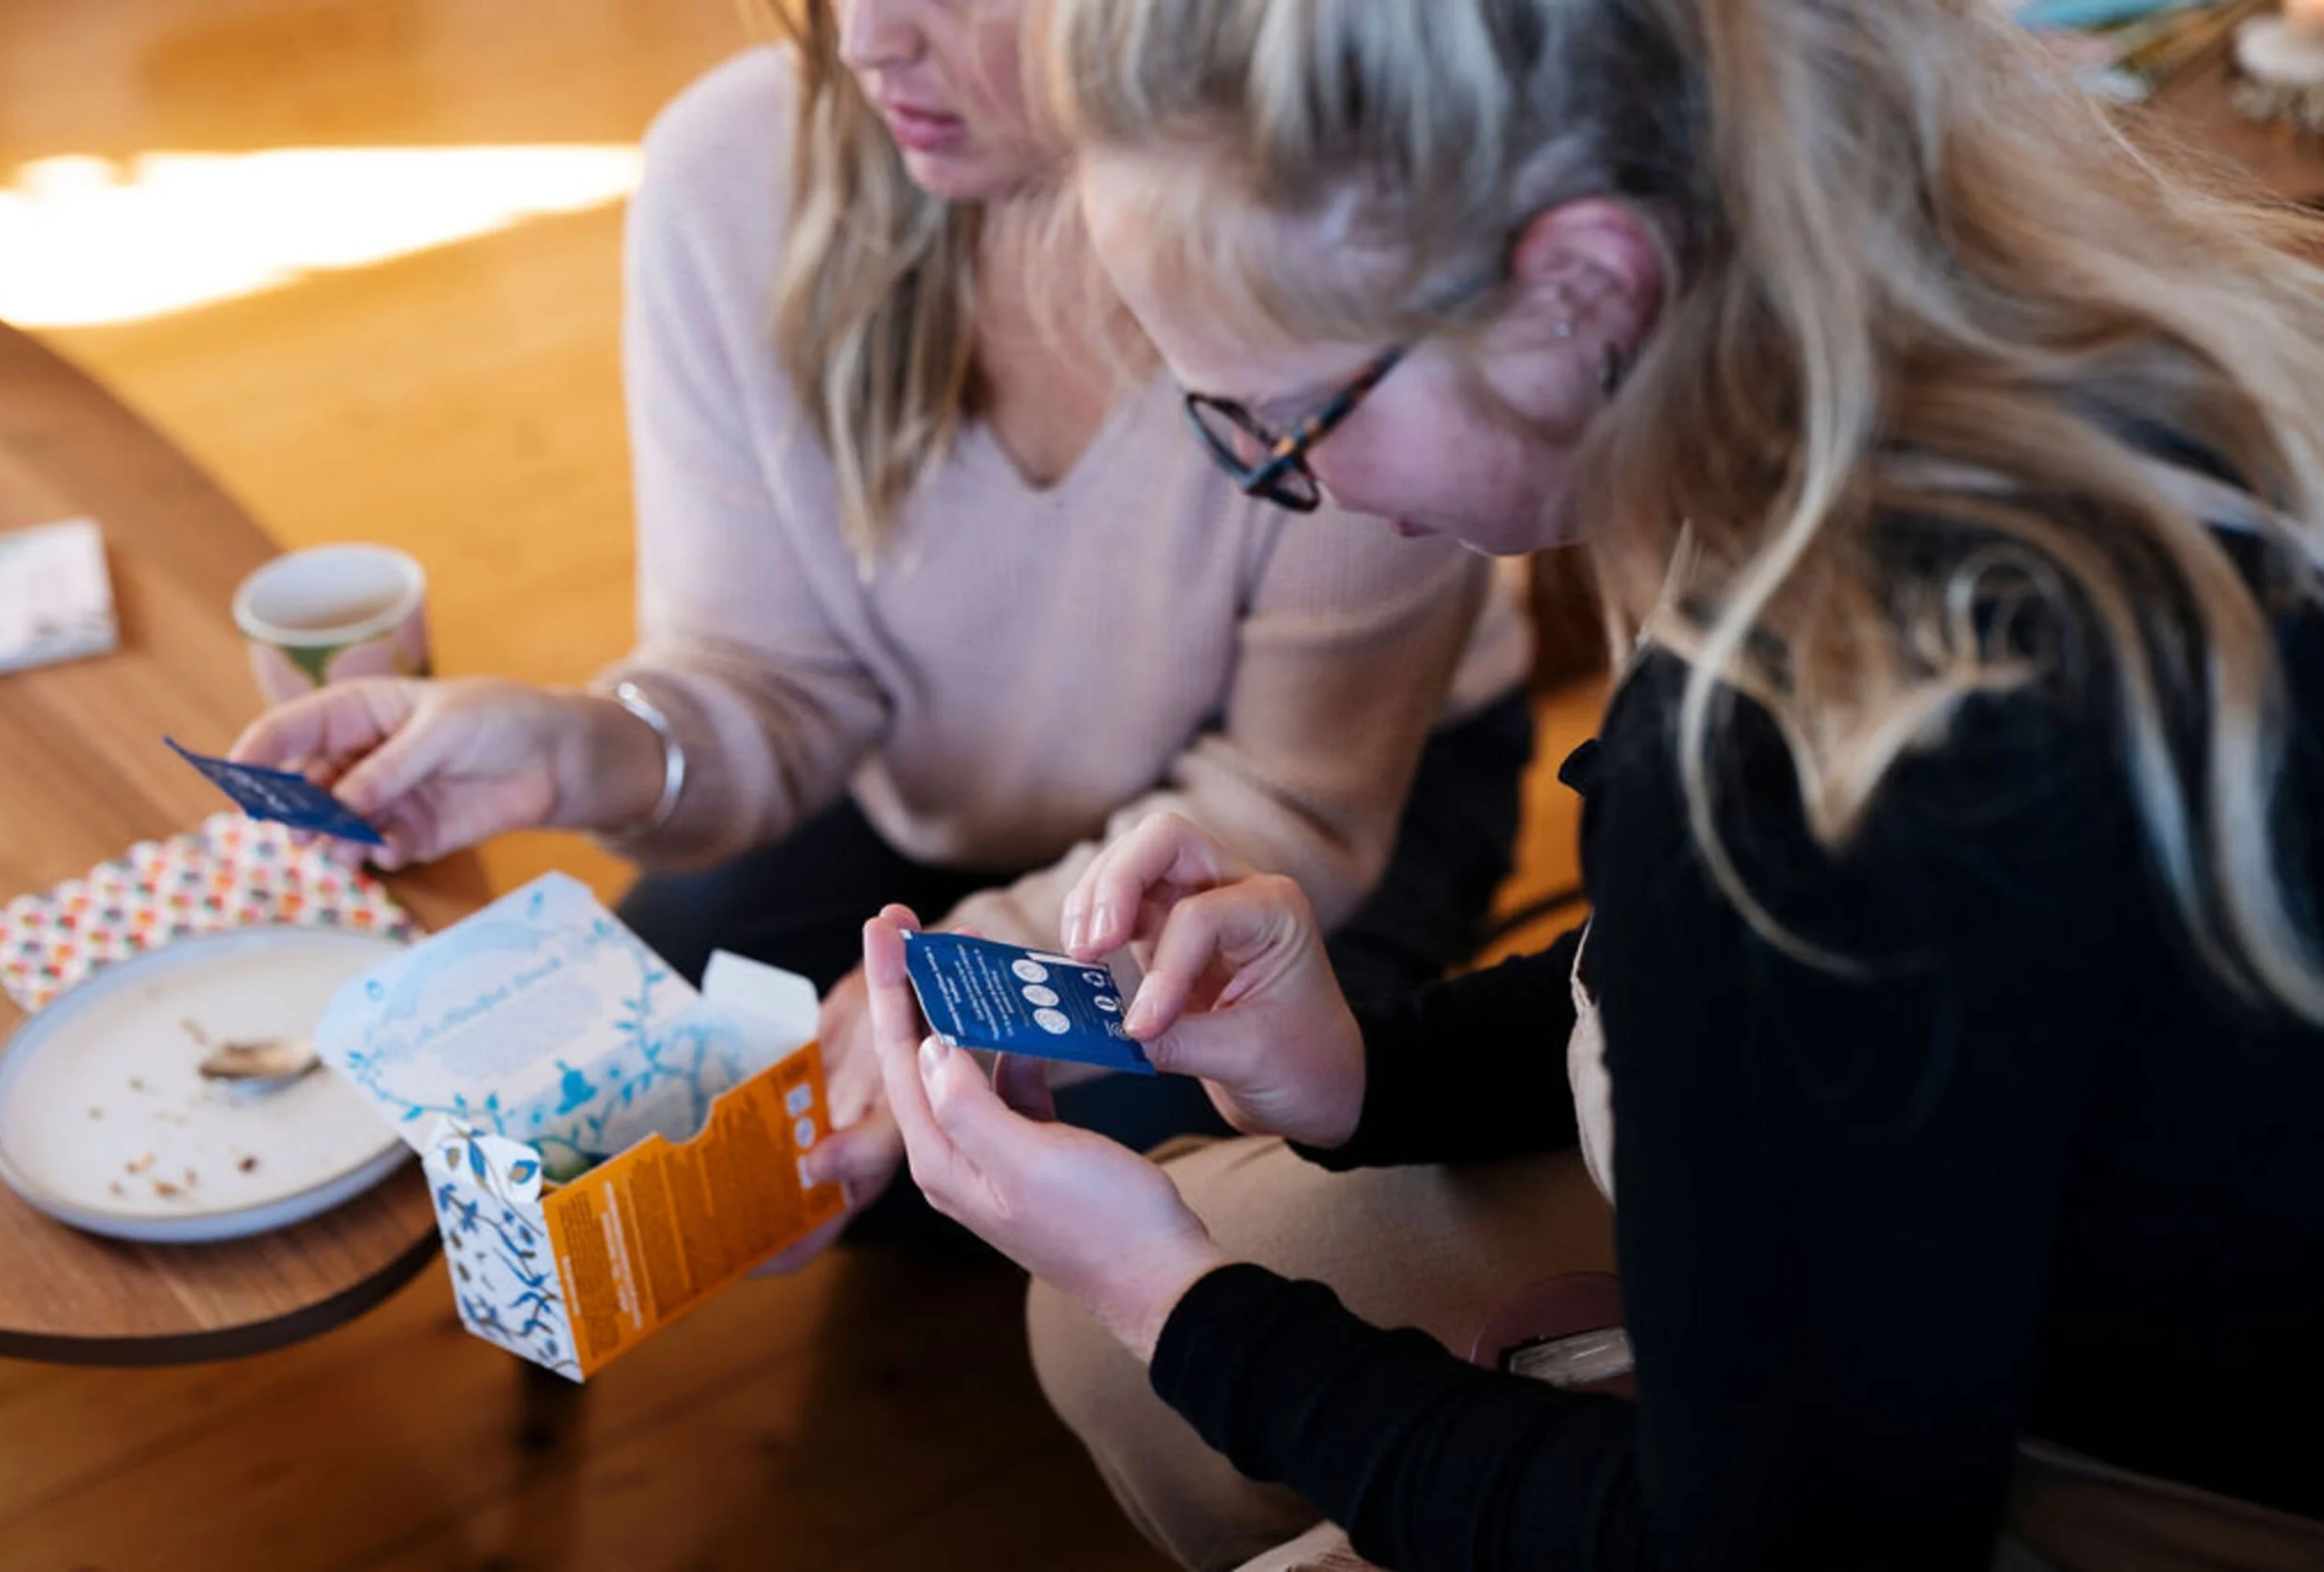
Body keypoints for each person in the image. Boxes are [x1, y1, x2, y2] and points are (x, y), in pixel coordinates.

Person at [857, 0, 2324, 1565]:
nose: (1303, 489)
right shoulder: (1867, 356)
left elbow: (1772, 1541)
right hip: (2036, 1266)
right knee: (1108, 1332)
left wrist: (1183, 1308)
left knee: (1145, 1327)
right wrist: (1366, 1070)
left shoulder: (1802, 761)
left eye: (1294, 420)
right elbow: (1763, 1022)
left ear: (1580, 285)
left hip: (2176, 1456)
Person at [231, 0, 1535, 1247]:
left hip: (1329, 819)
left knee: (1112, 1177)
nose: (863, 40)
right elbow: (777, 682)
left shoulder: (1323, 222)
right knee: (664, 1093)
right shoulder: (731, 173)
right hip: (931, 770)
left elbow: (1297, 809)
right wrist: (584, 746)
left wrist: (995, 972)